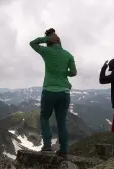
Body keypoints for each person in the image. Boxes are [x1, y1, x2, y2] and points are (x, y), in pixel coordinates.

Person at [30, 28, 77, 157]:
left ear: (49, 42)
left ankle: (47, 146)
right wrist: (63, 73)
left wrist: (45, 39)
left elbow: (32, 43)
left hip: (49, 91)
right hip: (64, 92)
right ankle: (64, 149)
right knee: (62, 120)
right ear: (59, 41)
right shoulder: (68, 55)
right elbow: (73, 72)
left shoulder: (46, 51)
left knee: (44, 117)